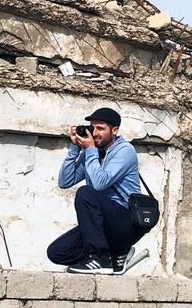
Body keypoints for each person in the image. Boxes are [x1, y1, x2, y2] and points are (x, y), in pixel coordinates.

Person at [46, 107, 144, 274]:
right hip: (103, 225)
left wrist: (90, 149)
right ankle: (113, 255)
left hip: (126, 223)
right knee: (57, 251)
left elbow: (99, 184)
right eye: (92, 127)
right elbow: (65, 181)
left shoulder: (125, 150)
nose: (95, 133)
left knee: (86, 193)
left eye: (100, 128)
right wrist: (74, 148)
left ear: (114, 130)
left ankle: (100, 258)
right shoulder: (93, 152)